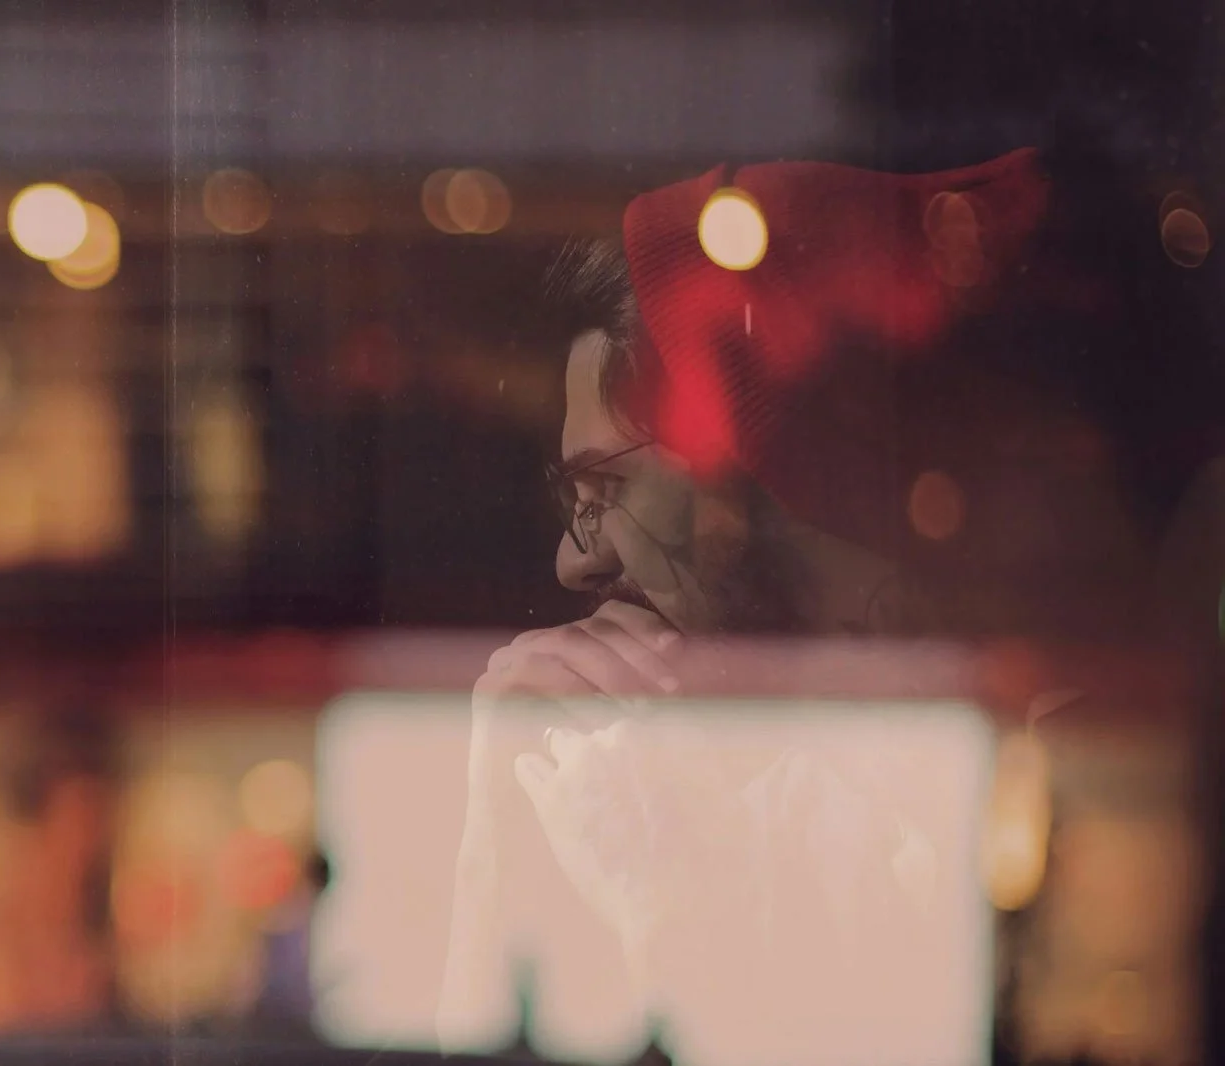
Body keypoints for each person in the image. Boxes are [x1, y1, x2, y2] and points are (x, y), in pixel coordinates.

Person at [438, 145, 1224, 1064]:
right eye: (571, 498)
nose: (575, 560)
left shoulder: (1026, 811)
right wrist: (492, 870)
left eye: (608, 486)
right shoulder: (663, 788)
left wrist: (681, 934)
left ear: (770, 495)